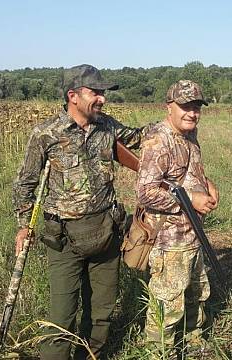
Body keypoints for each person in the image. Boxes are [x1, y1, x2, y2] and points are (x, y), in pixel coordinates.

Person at [12, 64, 147, 359]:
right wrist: (24, 225)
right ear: (73, 95)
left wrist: (175, 120)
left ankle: (90, 355)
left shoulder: (107, 126)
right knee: (62, 315)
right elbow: (25, 183)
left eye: (103, 93)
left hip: (106, 233)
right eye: (95, 92)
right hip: (64, 240)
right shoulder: (46, 134)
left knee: (101, 312)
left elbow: (141, 138)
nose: (102, 98)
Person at [135, 80, 218, 357]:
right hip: (170, 239)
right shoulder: (159, 140)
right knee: (168, 303)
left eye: (196, 107)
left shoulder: (189, 135)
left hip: (194, 235)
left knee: (196, 294)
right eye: (185, 107)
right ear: (169, 107)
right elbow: (146, 192)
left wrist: (207, 185)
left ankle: (194, 341)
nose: (191, 113)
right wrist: (190, 201)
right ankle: (160, 351)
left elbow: (188, 173)